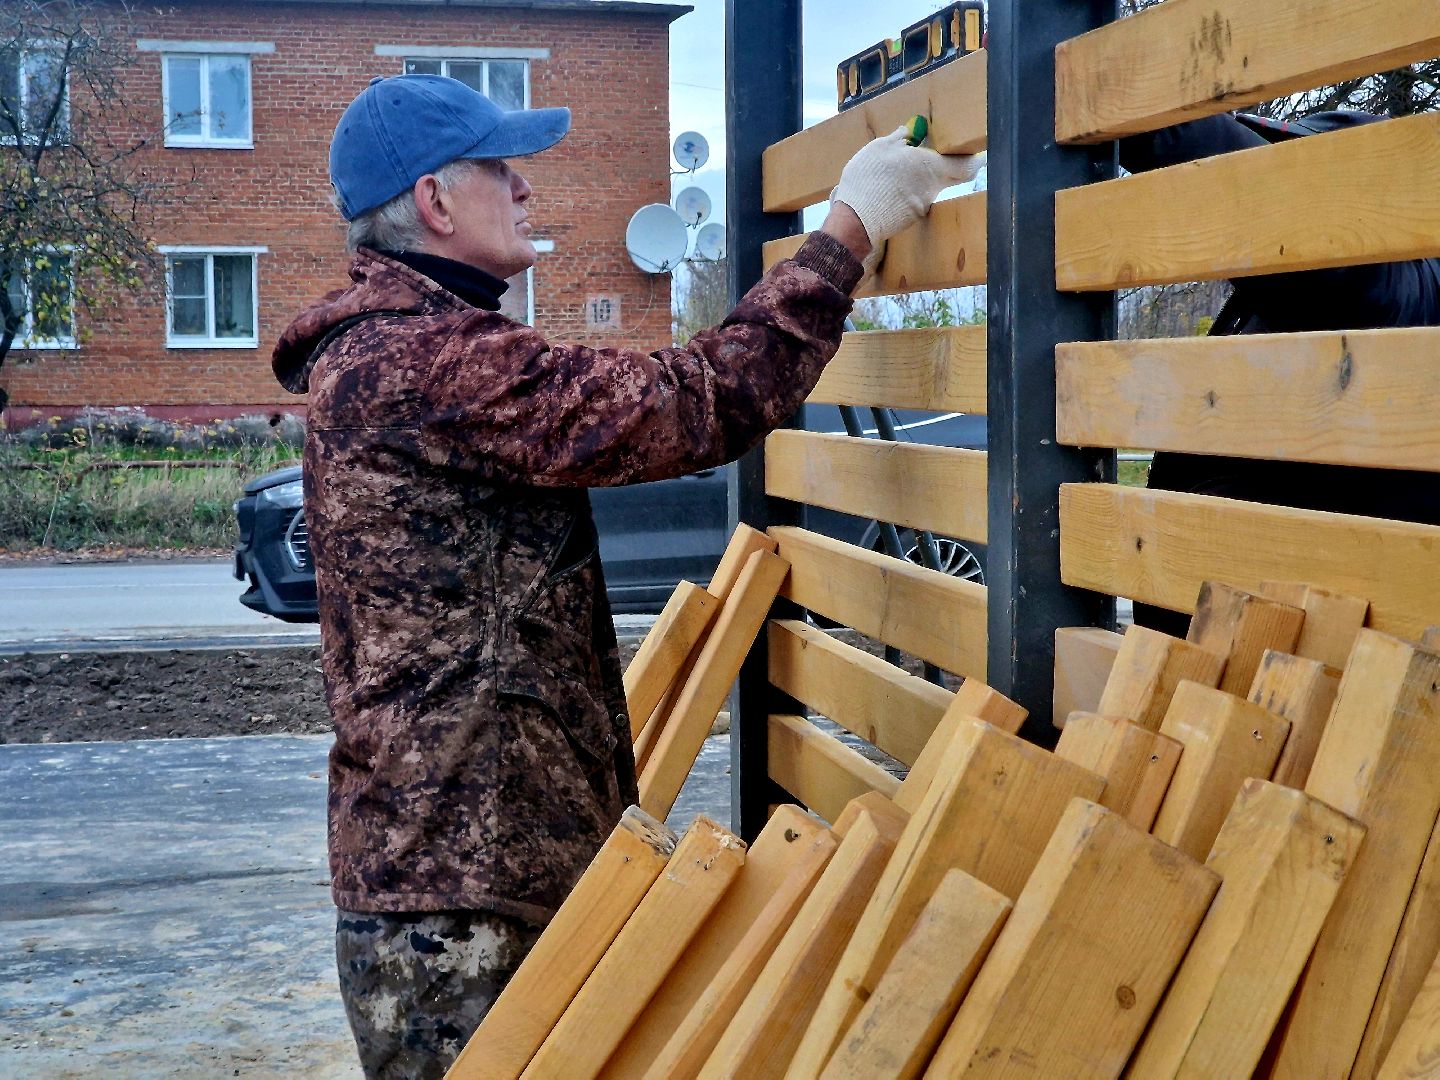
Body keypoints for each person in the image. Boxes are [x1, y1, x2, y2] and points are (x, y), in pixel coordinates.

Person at [272, 73, 979, 1079]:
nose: (524, 188)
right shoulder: (425, 365)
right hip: (461, 906)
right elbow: (700, 400)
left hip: (472, 878)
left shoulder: (412, 352)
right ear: (434, 202)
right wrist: (848, 232)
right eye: (500, 169)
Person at [1118, 111, 1440, 636]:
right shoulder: (1332, 292)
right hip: (1248, 633)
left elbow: (1248, 184)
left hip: (1291, 647)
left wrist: (1121, 109)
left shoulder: (1382, 283)